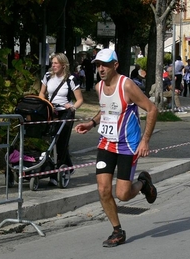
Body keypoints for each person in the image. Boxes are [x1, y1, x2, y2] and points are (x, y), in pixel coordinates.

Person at [74, 49, 158, 247]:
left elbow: (152, 109)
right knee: (103, 189)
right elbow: (105, 111)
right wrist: (91, 124)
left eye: (104, 64)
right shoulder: (98, 87)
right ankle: (117, 231)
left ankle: (143, 184)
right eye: (97, 65)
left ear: (115, 65)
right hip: (106, 143)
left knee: (123, 194)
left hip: (128, 145)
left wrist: (145, 140)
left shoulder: (126, 85)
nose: (100, 69)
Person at [39, 53, 84, 185]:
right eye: (52, 63)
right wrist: (45, 104)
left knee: (62, 141)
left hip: (66, 112)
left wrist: (72, 108)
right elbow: (42, 92)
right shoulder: (47, 76)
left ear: (63, 65)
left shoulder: (70, 79)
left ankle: (57, 172)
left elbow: (80, 99)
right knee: (53, 139)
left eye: (56, 63)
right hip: (52, 111)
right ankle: (68, 167)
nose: (53, 66)